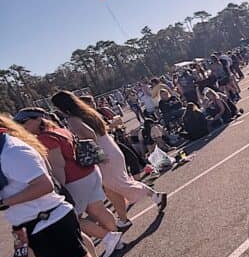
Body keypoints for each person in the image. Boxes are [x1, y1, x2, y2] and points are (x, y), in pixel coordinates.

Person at [0, 114, 134, 257]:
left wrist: (5, 203)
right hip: (34, 223)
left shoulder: (12, 152)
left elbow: (44, 185)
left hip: (51, 219)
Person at [15, 108, 124, 257]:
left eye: (23, 122)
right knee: (98, 209)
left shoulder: (45, 138)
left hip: (75, 180)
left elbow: (58, 165)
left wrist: (59, 189)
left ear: (36, 120)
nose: (22, 127)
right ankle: (116, 240)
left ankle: (109, 238)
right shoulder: (59, 130)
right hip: (89, 173)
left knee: (73, 220)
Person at [49, 91, 166, 228]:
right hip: (109, 147)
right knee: (111, 189)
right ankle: (123, 219)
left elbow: (89, 134)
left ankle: (154, 195)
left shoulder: (73, 119)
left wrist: (80, 143)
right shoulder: (87, 112)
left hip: (102, 154)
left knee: (119, 184)